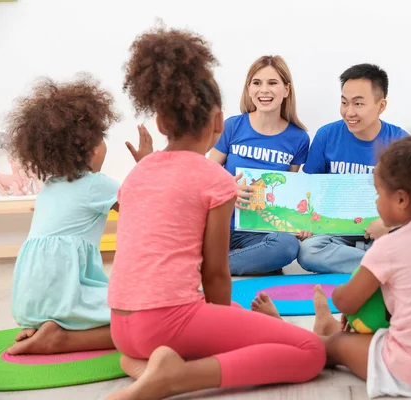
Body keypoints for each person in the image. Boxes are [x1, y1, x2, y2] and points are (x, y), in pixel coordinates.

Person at [106, 25, 325, 400]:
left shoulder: (138, 172)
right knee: (311, 352)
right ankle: (175, 379)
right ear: (220, 124)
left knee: (145, 348)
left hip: (121, 328)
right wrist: (225, 328)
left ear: (160, 124)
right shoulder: (214, 178)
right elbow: (215, 272)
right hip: (166, 321)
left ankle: (146, 367)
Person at [254, 126, 411, 398]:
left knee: (331, 348)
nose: (376, 202)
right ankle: (330, 329)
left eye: (378, 194)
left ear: (401, 199)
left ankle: (285, 331)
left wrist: (348, 293)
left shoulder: (390, 244)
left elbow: (344, 303)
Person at [5, 75, 121, 355]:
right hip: (66, 294)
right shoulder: (97, 184)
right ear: (93, 147)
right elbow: (145, 210)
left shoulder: (50, 186)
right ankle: (60, 338)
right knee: (142, 320)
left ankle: (44, 323)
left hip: (27, 301)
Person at [298, 63, 409, 274]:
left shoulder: (400, 142)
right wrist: (306, 221)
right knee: (308, 251)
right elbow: (309, 187)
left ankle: (371, 263)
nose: (349, 112)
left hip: (383, 229)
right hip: (337, 230)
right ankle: (383, 265)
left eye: (358, 104)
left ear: (381, 105)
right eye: (344, 103)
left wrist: (388, 225)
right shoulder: (326, 136)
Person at [207, 55, 311, 275]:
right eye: (257, 83)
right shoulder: (232, 126)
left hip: (259, 231)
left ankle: (211, 265)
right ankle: (229, 261)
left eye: (272, 83)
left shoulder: (299, 139)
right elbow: (205, 176)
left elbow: (290, 193)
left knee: (287, 246)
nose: (264, 90)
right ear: (249, 88)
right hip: (220, 223)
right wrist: (228, 189)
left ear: (286, 90)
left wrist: (299, 224)